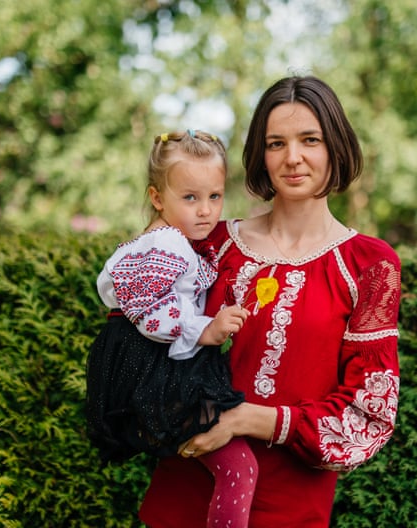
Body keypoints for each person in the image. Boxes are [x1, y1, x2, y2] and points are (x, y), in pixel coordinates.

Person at [138, 76, 402, 527]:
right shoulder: (214, 243)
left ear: (335, 146)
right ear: (261, 154)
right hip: (183, 498)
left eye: (310, 140)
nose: (292, 157)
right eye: (276, 143)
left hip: (291, 510)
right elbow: (137, 329)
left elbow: (369, 414)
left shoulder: (369, 265)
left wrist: (246, 419)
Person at [85, 129, 257, 528]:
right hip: (156, 371)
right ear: (157, 198)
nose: (206, 211)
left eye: (214, 196)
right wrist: (207, 330)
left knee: (224, 467)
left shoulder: (163, 241)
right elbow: (150, 314)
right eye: (190, 197)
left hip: (146, 368)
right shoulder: (169, 246)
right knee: (240, 470)